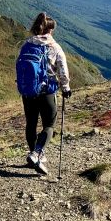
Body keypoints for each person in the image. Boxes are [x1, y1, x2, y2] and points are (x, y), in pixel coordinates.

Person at [18, 12, 70, 175]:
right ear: (50, 30)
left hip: (28, 90)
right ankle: (36, 154)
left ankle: (34, 154)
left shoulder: (27, 44)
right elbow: (62, 71)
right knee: (49, 125)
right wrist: (66, 88)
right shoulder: (54, 47)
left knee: (31, 124)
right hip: (47, 90)